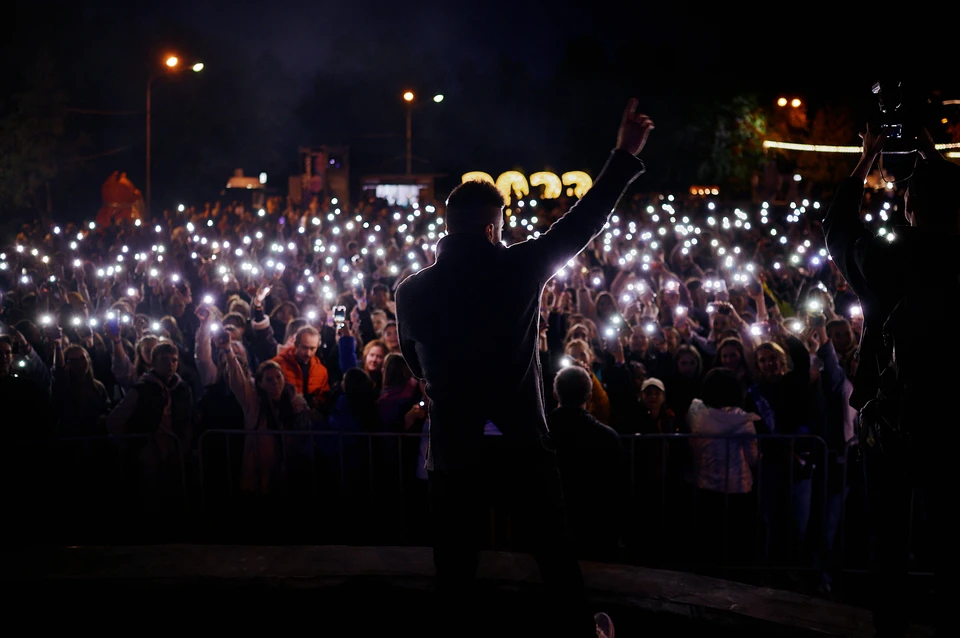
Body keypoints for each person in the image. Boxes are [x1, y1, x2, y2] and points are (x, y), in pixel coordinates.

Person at [396, 99, 654, 638]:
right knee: (554, 555)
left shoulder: (412, 291)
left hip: (453, 445)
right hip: (518, 440)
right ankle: (583, 631)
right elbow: (586, 219)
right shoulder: (518, 269)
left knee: (455, 569)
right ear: (493, 227)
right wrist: (624, 155)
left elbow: (416, 363)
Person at [822, 124, 960, 637]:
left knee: (888, 542)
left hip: (892, 420)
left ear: (906, 208)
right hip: (949, 419)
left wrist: (865, 161)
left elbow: (838, 229)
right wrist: (936, 161)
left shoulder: (889, 255)